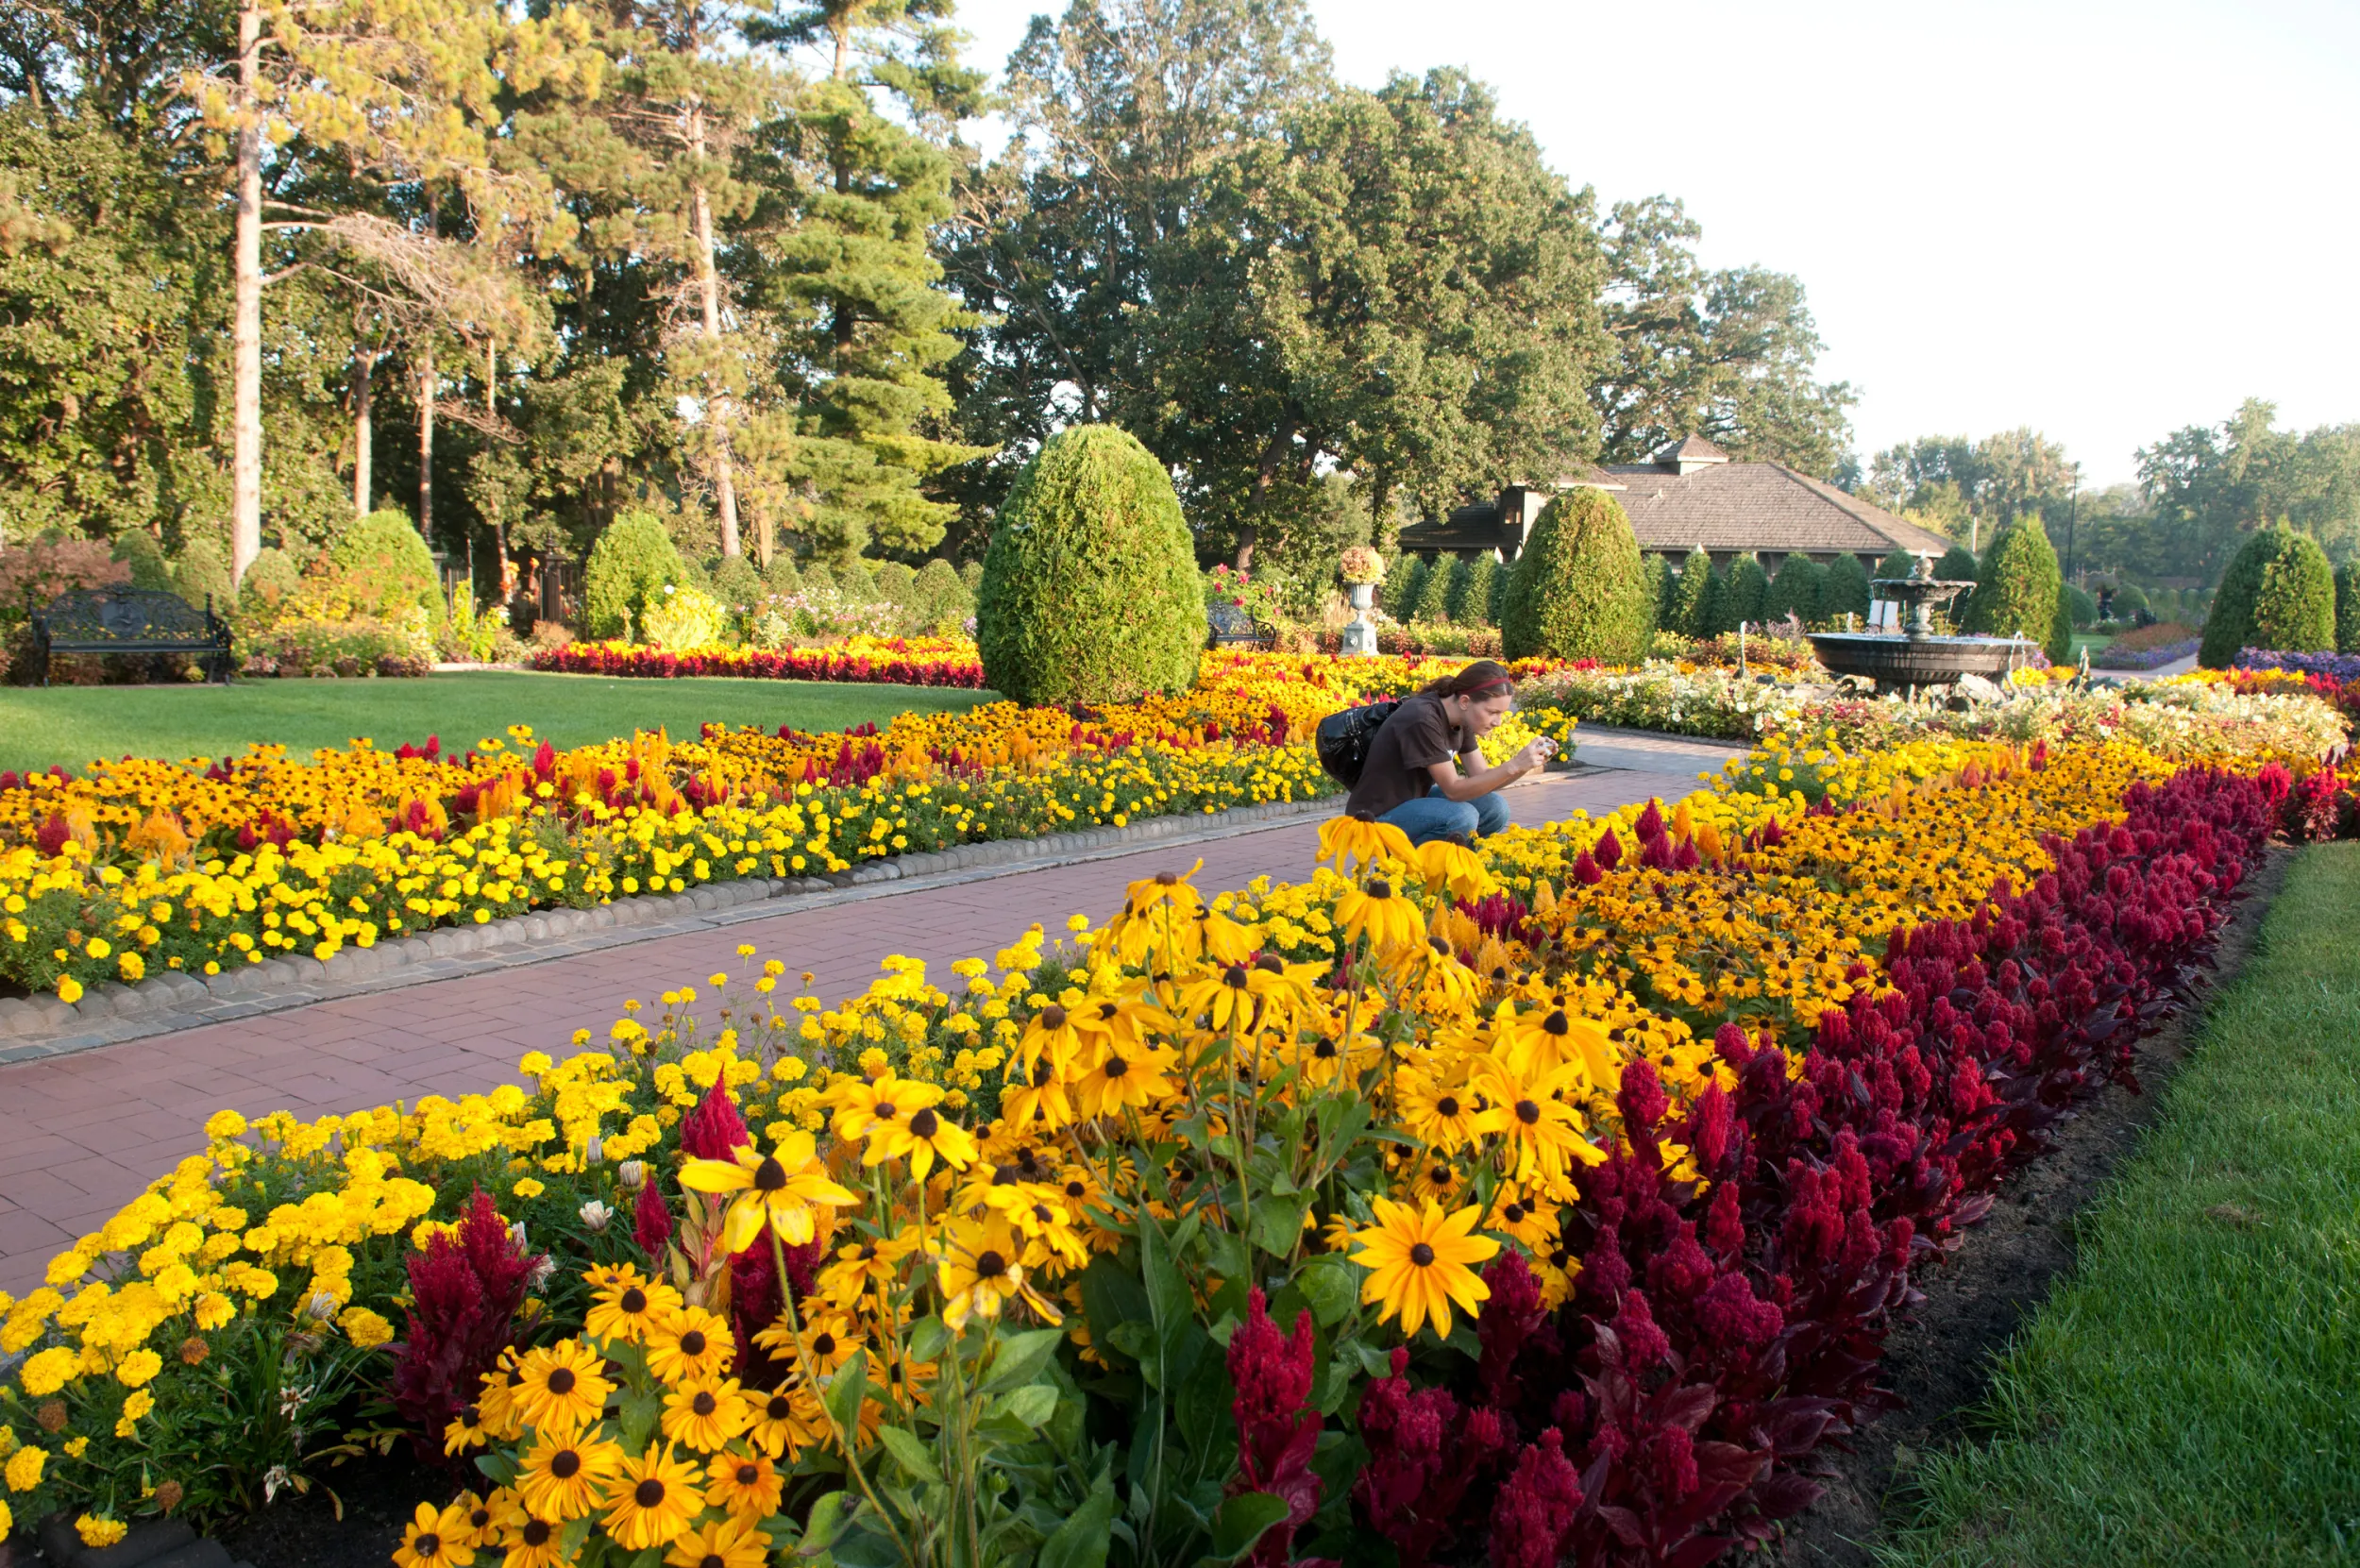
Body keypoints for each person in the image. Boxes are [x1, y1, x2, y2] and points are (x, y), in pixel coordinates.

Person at [1342, 659, 1554, 846]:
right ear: (1464, 701)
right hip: (1375, 817)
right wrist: (1515, 765)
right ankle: (1404, 875)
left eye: (1501, 714)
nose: (1497, 722)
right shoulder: (1423, 718)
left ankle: (1456, 872)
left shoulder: (1462, 717)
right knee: (1461, 816)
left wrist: (1525, 765)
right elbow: (1454, 790)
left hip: (1413, 802)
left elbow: (1482, 778)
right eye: (1492, 712)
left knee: (1494, 807)